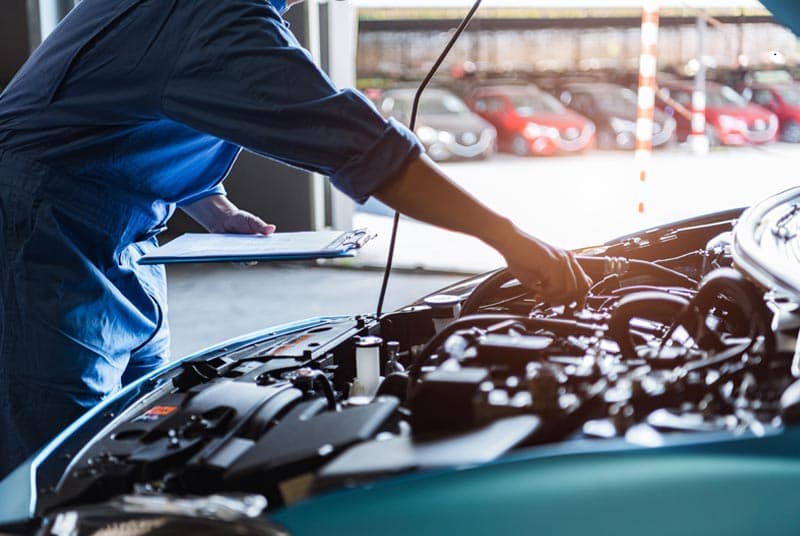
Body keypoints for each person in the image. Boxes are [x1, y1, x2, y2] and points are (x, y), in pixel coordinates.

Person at [0, 0, 591, 477]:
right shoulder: (218, 18)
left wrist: (209, 202)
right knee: (59, 458)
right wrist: (510, 239)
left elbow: (110, 108)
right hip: (41, 228)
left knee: (137, 429)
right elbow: (369, 151)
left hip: (110, 227)